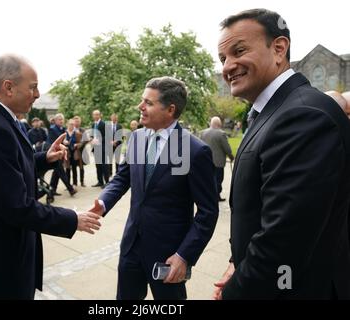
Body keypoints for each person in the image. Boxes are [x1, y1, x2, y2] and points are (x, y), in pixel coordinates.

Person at [214, 8, 350, 299]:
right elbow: (258, 209)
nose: (228, 66)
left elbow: (284, 241)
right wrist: (235, 262)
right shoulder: (271, 111)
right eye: (223, 58)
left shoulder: (302, 115)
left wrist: (235, 292)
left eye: (239, 51)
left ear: (278, 49)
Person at [0, 54, 101, 299]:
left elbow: (7, 169)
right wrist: (72, 219)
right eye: (33, 87)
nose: (38, 94)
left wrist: (43, 158)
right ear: (8, 87)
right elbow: (15, 206)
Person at [89, 76, 219, 300]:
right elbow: (123, 177)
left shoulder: (195, 151)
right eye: (142, 101)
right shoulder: (137, 138)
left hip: (169, 256)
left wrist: (184, 255)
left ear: (170, 109)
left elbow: (208, 212)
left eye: (148, 103)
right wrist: (102, 203)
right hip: (131, 246)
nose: (140, 107)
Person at [200, 117, 234, 202]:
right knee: (218, 179)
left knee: (207, 179)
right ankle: (216, 196)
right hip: (218, 162)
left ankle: (208, 196)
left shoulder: (203, 133)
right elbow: (227, 148)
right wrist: (231, 157)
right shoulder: (221, 134)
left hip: (205, 161)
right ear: (219, 124)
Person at [90, 110, 109, 188]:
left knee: (104, 165)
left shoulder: (104, 124)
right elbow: (92, 135)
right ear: (93, 116)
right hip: (96, 148)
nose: (96, 116)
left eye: (97, 114)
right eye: (94, 115)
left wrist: (99, 140)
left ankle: (107, 182)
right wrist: (91, 139)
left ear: (100, 115)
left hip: (103, 147)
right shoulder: (93, 124)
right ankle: (100, 181)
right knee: (98, 165)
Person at [72, 115, 87, 187]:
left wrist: (81, 144)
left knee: (81, 167)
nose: (77, 123)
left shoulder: (83, 130)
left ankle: (82, 182)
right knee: (74, 167)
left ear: (80, 122)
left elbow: (85, 140)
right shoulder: (71, 129)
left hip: (81, 151)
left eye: (78, 121)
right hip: (73, 151)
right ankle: (74, 183)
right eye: (75, 121)